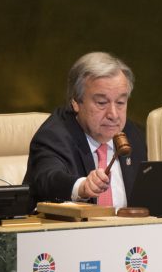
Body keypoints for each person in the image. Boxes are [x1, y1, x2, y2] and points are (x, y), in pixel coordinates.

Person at [23, 52, 147, 209]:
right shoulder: (54, 136)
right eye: (101, 102)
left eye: (120, 102)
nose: (114, 115)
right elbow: (49, 179)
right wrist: (81, 187)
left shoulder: (133, 134)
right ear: (75, 102)